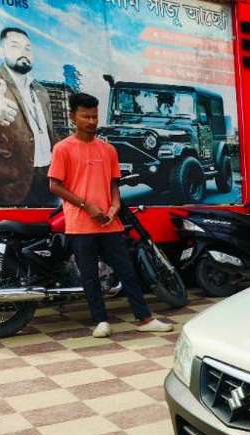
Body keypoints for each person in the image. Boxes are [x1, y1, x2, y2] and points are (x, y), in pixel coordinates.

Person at [48, 92, 173, 338]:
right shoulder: (63, 148)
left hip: (110, 223)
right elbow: (55, 185)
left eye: (94, 116)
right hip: (80, 224)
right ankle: (100, 321)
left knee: (127, 270)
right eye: (85, 116)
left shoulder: (108, 150)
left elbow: (114, 185)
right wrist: (87, 206)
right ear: (73, 117)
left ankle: (144, 318)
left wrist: (115, 206)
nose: (91, 121)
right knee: (90, 275)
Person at [0, 27, 56, 206]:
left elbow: (48, 132)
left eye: (28, 48)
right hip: (10, 185)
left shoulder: (40, 90)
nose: (23, 53)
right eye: (15, 46)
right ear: (1, 51)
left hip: (46, 180)